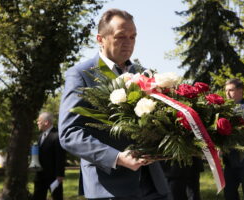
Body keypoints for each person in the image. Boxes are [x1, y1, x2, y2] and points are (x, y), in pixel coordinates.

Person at [58, 8, 170, 200]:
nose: (129, 43)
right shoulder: (82, 74)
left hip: (154, 185)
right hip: (109, 188)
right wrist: (117, 158)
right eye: (121, 37)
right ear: (100, 39)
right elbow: (69, 134)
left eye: (133, 37)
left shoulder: (144, 73)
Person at [33, 112, 66, 200]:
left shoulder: (57, 136)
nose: (37, 123)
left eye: (39, 121)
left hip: (54, 177)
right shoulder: (40, 136)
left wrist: (60, 175)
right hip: (40, 176)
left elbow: (60, 157)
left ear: (46, 122)